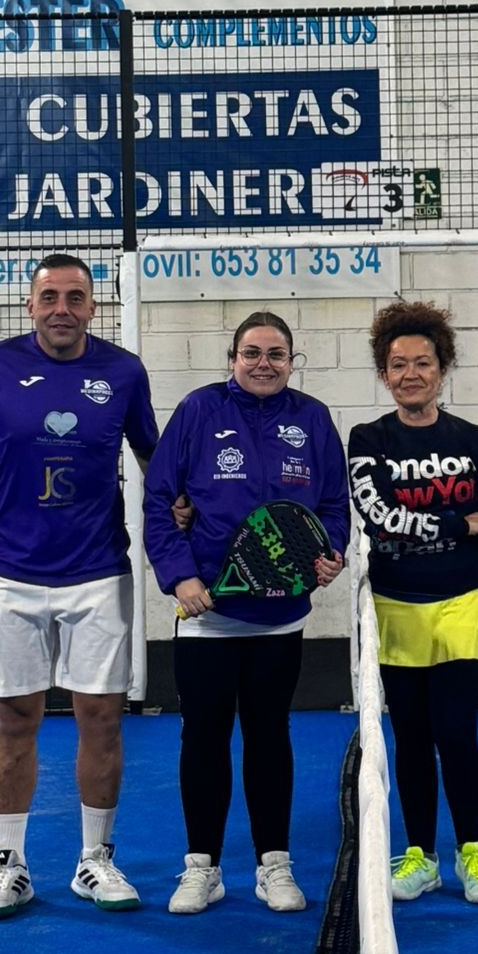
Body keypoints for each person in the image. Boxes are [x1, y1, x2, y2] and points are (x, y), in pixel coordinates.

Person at [0, 253, 159, 921]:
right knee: (14, 720)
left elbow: (155, 460)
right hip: (10, 575)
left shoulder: (124, 372)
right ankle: (9, 864)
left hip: (99, 575)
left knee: (102, 718)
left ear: (93, 306)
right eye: (50, 297)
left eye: (75, 297)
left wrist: (182, 533)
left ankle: (96, 860)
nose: (62, 308)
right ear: (30, 306)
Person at [143, 310, 349, 917]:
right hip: (205, 616)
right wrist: (180, 575)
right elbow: (159, 499)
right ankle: (201, 868)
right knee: (203, 738)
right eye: (252, 353)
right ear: (232, 359)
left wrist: (330, 553)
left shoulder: (312, 418)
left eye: (276, 354)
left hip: (280, 620)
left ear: (292, 360)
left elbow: (333, 506)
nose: (264, 364)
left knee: (269, 736)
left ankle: (273, 865)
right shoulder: (198, 411)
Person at [348, 301, 478, 907]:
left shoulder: (474, 443)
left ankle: (471, 850)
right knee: (411, 738)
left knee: (457, 734)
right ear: (383, 374)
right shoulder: (368, 440)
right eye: (398, 364)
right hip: (396, 606)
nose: (410, 374)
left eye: (423, 363)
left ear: (443, 369)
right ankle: (421, 854)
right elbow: (381, 519)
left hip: (462, 604)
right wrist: (457, 525)